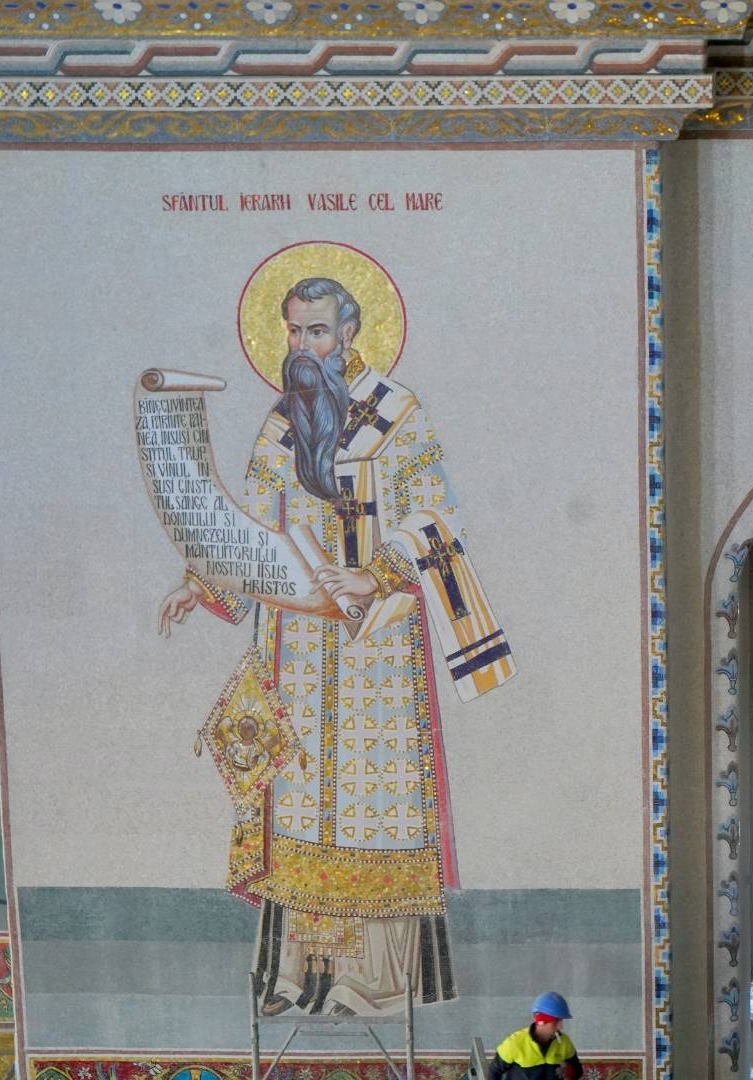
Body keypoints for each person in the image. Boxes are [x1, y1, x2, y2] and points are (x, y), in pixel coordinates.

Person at [157, 276, 516, 1016]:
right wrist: (201, 582)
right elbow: (253, 528)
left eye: (316, 331)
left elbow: (436, 515)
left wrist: (374, 573)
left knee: (371, 805)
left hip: (373, 650)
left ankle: (374, 981)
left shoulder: (397, 414)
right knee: (297, 801)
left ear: (349, 333)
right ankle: (296, 978)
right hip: (292, 645)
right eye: (294, 332)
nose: (303, 346)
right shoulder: (280, 424)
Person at [490, 992, 581, 1080]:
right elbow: (494, 1072)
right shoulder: (515, 1043)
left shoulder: (564, 1042)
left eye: (561, 1021)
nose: (560, 1027)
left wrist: (569, 1074)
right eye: (555, 1022)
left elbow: (577, 1070)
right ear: (541, 1021)